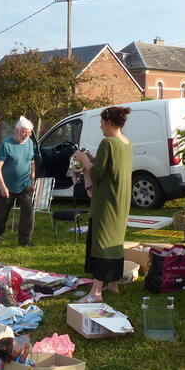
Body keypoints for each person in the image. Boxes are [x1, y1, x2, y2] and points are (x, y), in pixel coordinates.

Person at [72, 106, 133, 303]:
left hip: (106, 200)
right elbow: (109, 167)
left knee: (102, 241)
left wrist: (82, 160)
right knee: (115, 240)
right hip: (120, 199)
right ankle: (113, 284)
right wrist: (93, 160)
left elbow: (97, 174)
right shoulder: (126, 142)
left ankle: (96, 292)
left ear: (109, 123)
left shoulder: (108, 143)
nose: (100, 127)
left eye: (101, 123)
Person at [0, 116, 35, 246]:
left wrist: (32, 178)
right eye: (24, 132)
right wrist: (2, 186)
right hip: (7, 186)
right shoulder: (6, 144)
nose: (26, 135)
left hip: (25, 185)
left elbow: (31, 161)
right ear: (16, 130)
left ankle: (24, 242)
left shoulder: (30, 143)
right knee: (1, 216)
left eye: (29, 132)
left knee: (27, 214)